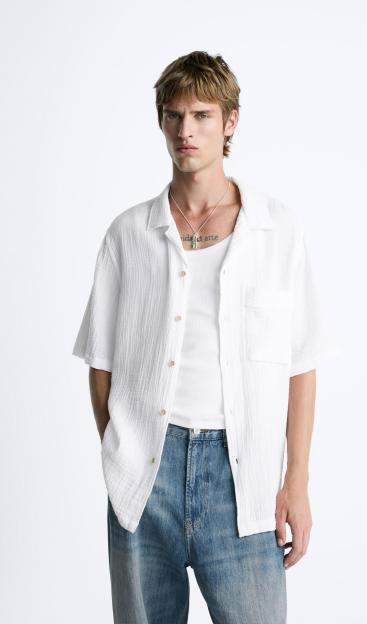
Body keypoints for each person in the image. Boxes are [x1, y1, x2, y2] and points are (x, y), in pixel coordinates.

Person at [72, 50, 324, 624]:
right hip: (146, 476)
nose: (185, 130)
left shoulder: (278, 230)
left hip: (243, 479)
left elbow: (301, 364)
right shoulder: (128, 234)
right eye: (174, 115)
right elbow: (101, 362)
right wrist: (122, 452)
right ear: (161, 121)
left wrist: (297, 481)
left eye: (202, 115)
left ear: (230, 121)